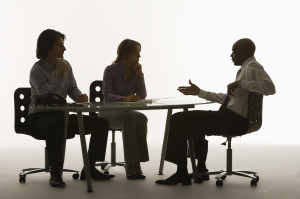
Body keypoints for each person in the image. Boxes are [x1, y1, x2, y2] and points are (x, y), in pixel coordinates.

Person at [155, 38, 276, 185]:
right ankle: (201, 168)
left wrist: (240, 83)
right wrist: (200, 92)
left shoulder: (252, 67)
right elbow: (229, 98)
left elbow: (270, 88)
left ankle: (182, 173)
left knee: (178, 119)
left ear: (243, 52)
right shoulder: (246, 68)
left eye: (234, 51)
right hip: (231, 118)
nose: (231, 55)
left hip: (233, 121)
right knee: (193, 121)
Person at [29, 29, 114, 188]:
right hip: (40, 117)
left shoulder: (66, 66)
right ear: (48, 48)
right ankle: (56, 173)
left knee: (100, 124)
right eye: (60, 46)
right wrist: (60, 76)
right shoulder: (37, 70)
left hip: (62, 115)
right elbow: (49, 98)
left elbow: (72, 89)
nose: (64, 49)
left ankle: (90, 169)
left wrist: (79, 96)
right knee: (56, 125)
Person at [100, 39, 149, 180]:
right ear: (125, 53)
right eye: (136, 53)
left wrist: (140, 74)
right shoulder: (110, 70)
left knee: (141, 117)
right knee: (130, 118)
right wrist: (124, 99)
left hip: (126, 112)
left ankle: (137, 162)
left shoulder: (135, 72)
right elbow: (107, 94)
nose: (139, 56)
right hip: (108, 113)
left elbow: (142, 95)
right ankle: (130, 163)